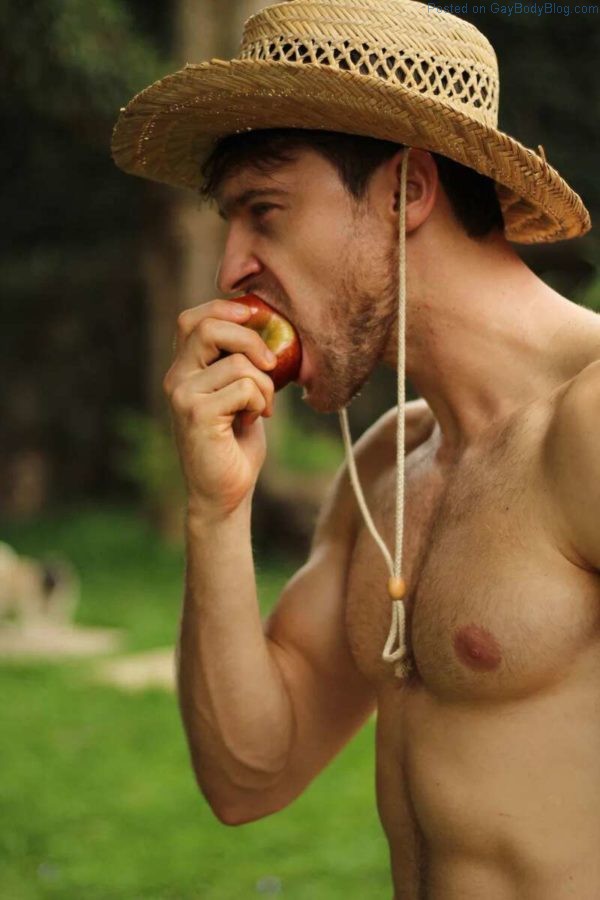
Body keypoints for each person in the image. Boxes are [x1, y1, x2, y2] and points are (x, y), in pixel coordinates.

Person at [111, 1, 599, 896]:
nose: (230, 271)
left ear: (408, 190)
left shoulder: (590, 425)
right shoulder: (386, 464)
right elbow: (249, 776)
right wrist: (215, 511)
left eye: (264, 212)